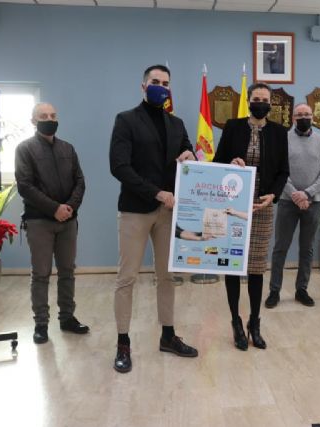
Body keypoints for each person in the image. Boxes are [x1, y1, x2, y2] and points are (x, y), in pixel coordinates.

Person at [109, 64, 198, 373]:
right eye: (155, 81)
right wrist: (156, 192)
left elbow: (188, 152)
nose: (161, 86)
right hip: (135, 210)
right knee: (127, 278)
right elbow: (119, 166)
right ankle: (123, 343)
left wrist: (190, 156)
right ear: (143, 86)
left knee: (167, 276)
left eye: (166, 83)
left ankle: (168, 336)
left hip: (168, 212)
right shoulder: (126, 120)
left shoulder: (177, 123)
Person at [214, 82, 289, 351]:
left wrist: (274, 195)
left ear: (271, 103)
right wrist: (230, 163)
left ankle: (254, 323)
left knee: (256, 268)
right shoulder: (232, 127)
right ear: (248, 101)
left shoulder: (279, 132)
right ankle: (235, 321)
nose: (260, 103)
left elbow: (283, 171)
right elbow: (217, 162)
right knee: (232, 265)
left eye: (265, 99)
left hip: (261, 207)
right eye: (256, 99)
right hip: (233, 205)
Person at [14, 103, 89, 344]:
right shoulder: (24, 149)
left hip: (68, 221)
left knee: (67, 271)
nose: (49, 119)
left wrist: (69, 207)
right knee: (41, 274)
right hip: (39, 222)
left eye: (53, 115)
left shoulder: (68, 148)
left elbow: (80, 181)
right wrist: (54, 208)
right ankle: (41, 324)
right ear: (33, 121)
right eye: (43, 116)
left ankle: (67, 318)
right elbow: (25, 186)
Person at [265, 103, 320, 309]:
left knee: (307, 248)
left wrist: (307, 193)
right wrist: (295, 194)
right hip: (288, 200)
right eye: (299, 114)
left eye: (307, 114)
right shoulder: (283, 139)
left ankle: (301, 289)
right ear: (293, 118)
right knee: (280, 247)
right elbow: (279, 171)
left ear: (312, 117)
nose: (303, 117)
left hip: (314, 201)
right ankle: (274, 290)